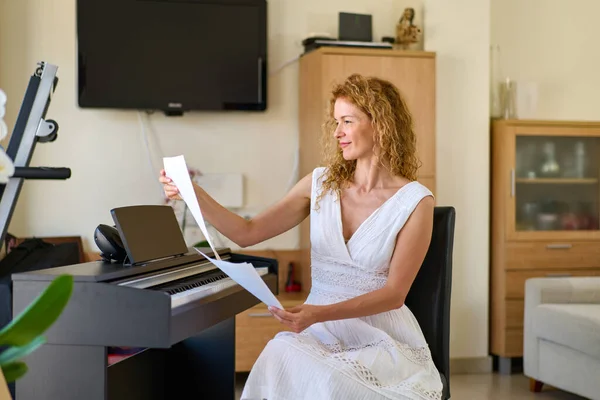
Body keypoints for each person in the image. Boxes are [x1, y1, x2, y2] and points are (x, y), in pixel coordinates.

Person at [159, 73, 443, 400]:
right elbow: (247, 233)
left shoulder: (415, 200)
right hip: (319, 333)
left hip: (380, 338)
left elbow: (394, 294)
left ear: (380, 124)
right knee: (279, 353)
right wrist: (193, 194)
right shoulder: (320, 184)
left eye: (347, 121)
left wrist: (316, 313)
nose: (337, 133)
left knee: (329, 379)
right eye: (335, 122)